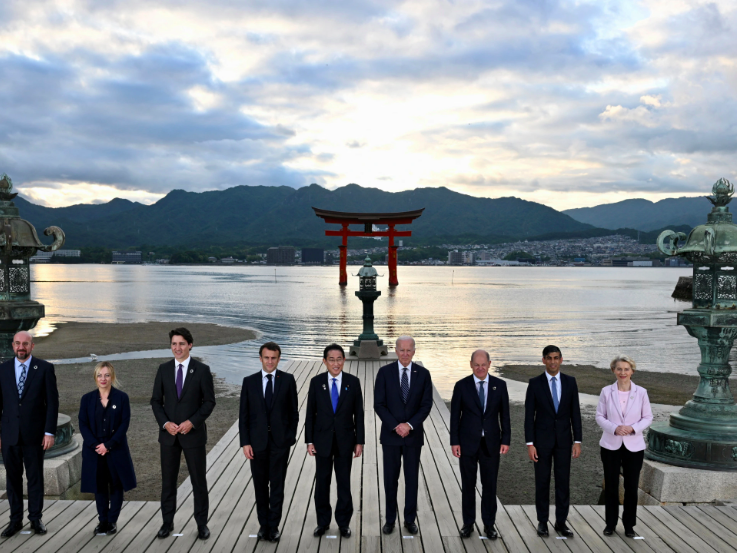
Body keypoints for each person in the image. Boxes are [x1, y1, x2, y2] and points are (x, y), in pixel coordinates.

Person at [151, 328, 216, 540]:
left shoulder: (202, 370)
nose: (177, 348)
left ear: (190, 345)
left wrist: (192, 422)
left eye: (181, 344)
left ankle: (202, 524)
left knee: (199, 482)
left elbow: (209, 402)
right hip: (169, 437)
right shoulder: (163, 369)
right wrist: (165, 423)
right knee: (168, 483)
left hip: (193, 436)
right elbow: (155, 401)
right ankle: (167, 523)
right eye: (173, 344)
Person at [0, 331, 58, 538]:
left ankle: (35, 519)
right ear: (13, 345)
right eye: (17, 343)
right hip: (9, 435)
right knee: (12, 479)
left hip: (35, 435)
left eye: (25, 344)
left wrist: (49, 432)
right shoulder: (3, 369)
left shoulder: (44, 369)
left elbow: (52, 403)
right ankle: (15, 521)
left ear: (32, 346)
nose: (21, 347)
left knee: (35, 478)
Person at [239, 342, 299, 542]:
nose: (270, 361)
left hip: (280, 444)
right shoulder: (249, 382)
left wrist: (289, 437)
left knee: (277, 486)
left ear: (279, 358)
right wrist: (245, 443)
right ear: (260, 358)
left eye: (274, 358)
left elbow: (293, 413)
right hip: (257, 444)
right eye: (267, 357)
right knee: (260, 486)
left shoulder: (288, 380)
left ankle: (274, 526)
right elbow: (244, 416)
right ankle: (263, 525)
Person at [374, 336, 432, 535]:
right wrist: (395, 425)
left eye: (409, 350)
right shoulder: (384, 373)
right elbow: (379, 404)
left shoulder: (423, 374)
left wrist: (409, 425)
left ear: (414, 351)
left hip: (413, 436)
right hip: (390, 436)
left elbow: (426, 405)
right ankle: (390, 520)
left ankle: (409, 519)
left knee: (411, 479)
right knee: (390, 479)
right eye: (402, 350)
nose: (405, 354)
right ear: (395, 351)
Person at [450, 350, 511, 539]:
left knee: (490, 486)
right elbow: (454, 417)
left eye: (483, 364)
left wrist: (506, 440)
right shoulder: (461, 386)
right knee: (468, 485)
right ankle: (468, 524)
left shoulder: (500, 386)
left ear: (489, 364)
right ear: (470, 365)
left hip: (491, 443)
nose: (480, 368)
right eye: (476, 364)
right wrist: (455, 442)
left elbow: (505, 416)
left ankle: (489, 524)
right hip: (467, 444)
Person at [305, 344, 364, 538]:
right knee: (322, 483)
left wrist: (360, 441)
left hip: (346, 441)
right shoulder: (316, 382)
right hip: (321, 441)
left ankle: (343, 523)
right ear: (324, 361)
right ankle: (322, 522)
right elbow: (310, 414)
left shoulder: (353, 382)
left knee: (344, 483)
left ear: (344, 361)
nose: (336, 363)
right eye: (332, 359)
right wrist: (309, 441)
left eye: (339, 359)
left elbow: (359, 415)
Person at [524, 345, 582, 538]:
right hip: (541, 442)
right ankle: (542, 522)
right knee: (542, 482)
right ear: (543, 360)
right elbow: (528, 416)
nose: (553, 361)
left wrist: (578, 440)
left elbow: (575, 413)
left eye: (556, 358)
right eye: (549, 358)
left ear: (561, 359)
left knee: (563, 482)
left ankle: (561, 522)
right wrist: (530, 444)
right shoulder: (534, 383)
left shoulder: (570, 382)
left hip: (565, 441)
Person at [596, 355, 653, 538]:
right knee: (611, 486)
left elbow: (648, 417)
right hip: (610, 444)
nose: (622, 372)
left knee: (631, 486)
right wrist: (614, 428)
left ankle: (629, 525)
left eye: (626, 369)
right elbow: (599, 416)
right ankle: (610, 524)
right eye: (619, 369)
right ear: (613, 370)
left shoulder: (642, 392)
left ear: (632, 371)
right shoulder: (606, 391)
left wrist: (633, 428)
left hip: (634, 446)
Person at [78, 362, 137, 535]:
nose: (103, 379)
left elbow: (124, 424)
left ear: (112, 377)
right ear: (95, 377)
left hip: (115, 448)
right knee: (99, 486)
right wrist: (96, 445)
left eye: (106, 375)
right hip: (94, 450)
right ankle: (102, 520)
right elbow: (83, 424)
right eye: (99, 375)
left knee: (116, 485)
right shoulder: (86, 399)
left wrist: (108, 445)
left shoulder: (122, 398)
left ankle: (112, 521)